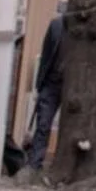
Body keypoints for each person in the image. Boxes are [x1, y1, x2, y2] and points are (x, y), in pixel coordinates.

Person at [24, 11, 65, 171]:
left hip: (73, 85)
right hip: (52, 81)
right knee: (43, 123)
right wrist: (39, 84)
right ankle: (35, 163)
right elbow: (47, 53)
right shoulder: (56, 25)